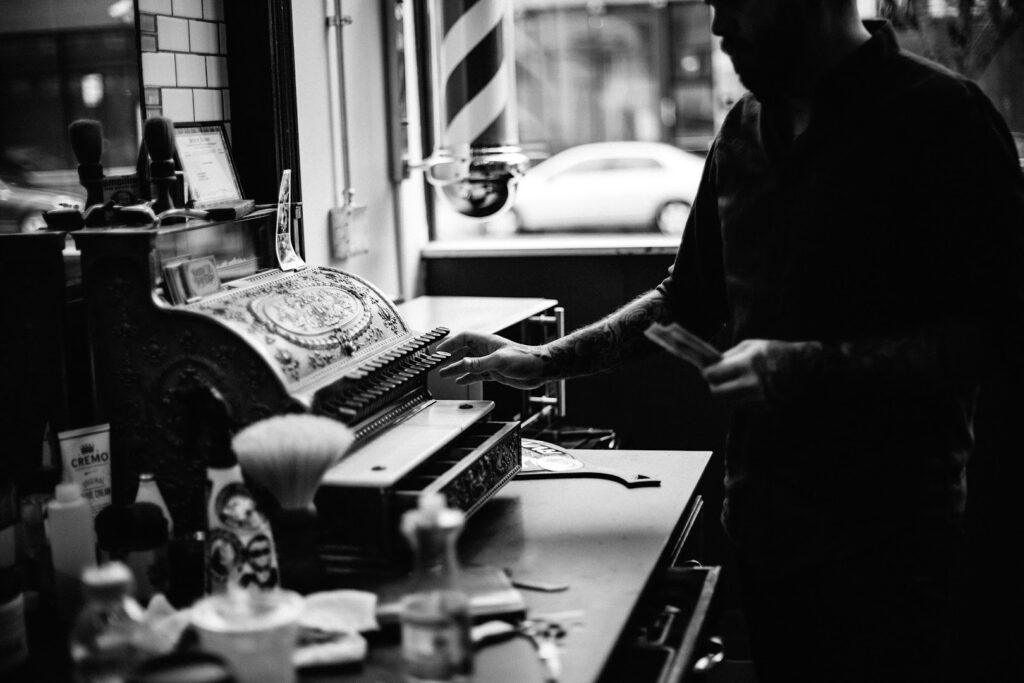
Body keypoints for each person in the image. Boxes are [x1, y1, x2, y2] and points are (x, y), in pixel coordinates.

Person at [437, 1, 1024, 681]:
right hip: (763, 521)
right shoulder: (742, 129)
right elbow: (684, 300)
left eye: (737, 5)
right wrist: (543, 362)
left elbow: (999, 331)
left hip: (892, 537)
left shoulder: (944, 118)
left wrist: (804, 367)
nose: (719, 29)